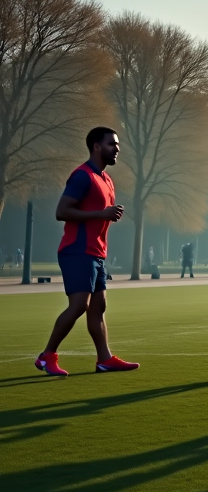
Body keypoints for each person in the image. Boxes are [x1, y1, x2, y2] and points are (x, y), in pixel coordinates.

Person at [35, 127, 139, 376]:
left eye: (117, 144)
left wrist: (107, 214)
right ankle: (46, 356)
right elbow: (61, 211)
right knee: (79, 305)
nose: (117, 148)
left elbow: (98, 214)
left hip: (96, 253)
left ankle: (104, 359)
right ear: (96, 147)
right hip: (77, 251)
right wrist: (101, 214)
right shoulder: (82, 176)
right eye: (112, 144)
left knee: (98, 307)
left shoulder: (106, 179)